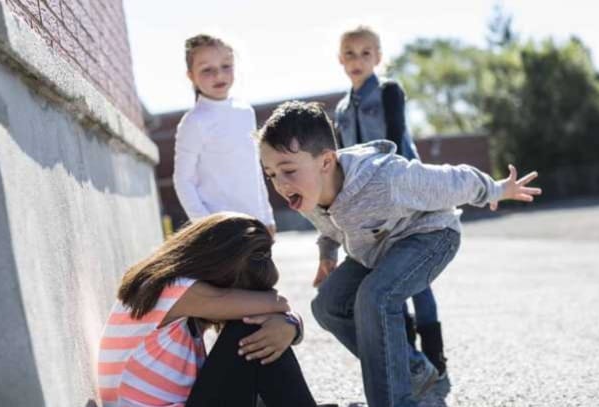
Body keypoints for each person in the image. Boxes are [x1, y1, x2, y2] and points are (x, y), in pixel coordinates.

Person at [257, 101, 541, 407]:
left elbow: (453, 179)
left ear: (326, 162)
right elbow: (329, 228)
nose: (280, 184)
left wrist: (497, 190)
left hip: (430, 236)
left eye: (287, 170)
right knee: (327, 305)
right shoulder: (307, 193)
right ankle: (413, 369)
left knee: (375, 297)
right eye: (271, 174)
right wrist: (327, 254)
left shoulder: (385, 178)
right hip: (375, 249)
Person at [97, 212, 336, 407]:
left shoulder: (173, 295)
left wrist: (291, 326)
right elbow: (278, 303)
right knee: (248, 328)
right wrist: (289, 323)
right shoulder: (173, 289)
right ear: (220, 269)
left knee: (256, 337)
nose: (240, 299)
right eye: (242, 291)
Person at [334, 25, 446, 377]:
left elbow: (397, 140)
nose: (357, 60)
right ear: (340, 59)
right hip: (367, 206)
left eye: (366, 53)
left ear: (378, 58)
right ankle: (412, 362)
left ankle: (435, 358)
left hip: (403, 195)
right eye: (350, 53)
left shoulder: (388, 92)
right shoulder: (340, 109)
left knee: (417, 280)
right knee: (387, 279)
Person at [173, 34, 275, 234]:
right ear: (191, 76)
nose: (219, 75)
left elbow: (254, 170)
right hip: (221, 230)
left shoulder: (246, 112)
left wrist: (267, 216)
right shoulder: (194, 122)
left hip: (256, 224)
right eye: (207, 70)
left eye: (226, 66)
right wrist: (205, 225)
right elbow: (183, 180)